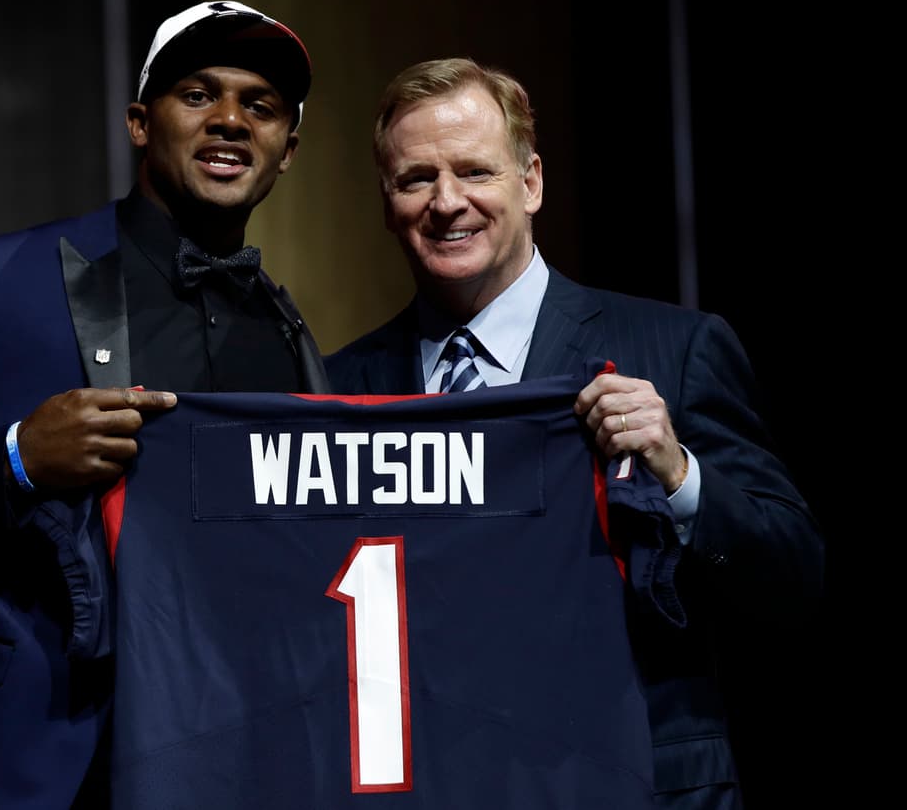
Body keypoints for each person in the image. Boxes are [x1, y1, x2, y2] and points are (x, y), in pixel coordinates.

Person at [0, 0, 327, 809]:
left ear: (286, 149)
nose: (230, 119)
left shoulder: (293, 338)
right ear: (140, 123)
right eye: (197, 94)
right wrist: (17, 458)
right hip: (60, 770)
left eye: (259, 105)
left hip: (252, 766)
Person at [323, 57, 824, 809]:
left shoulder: (676, 348)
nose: (447, 202)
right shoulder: (336, 389)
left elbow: (794, 579)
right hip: (432, 787)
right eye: (416, 179)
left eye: (475, 171)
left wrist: (680, 475)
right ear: (387, 204)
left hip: (640, 786)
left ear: (531, 183)